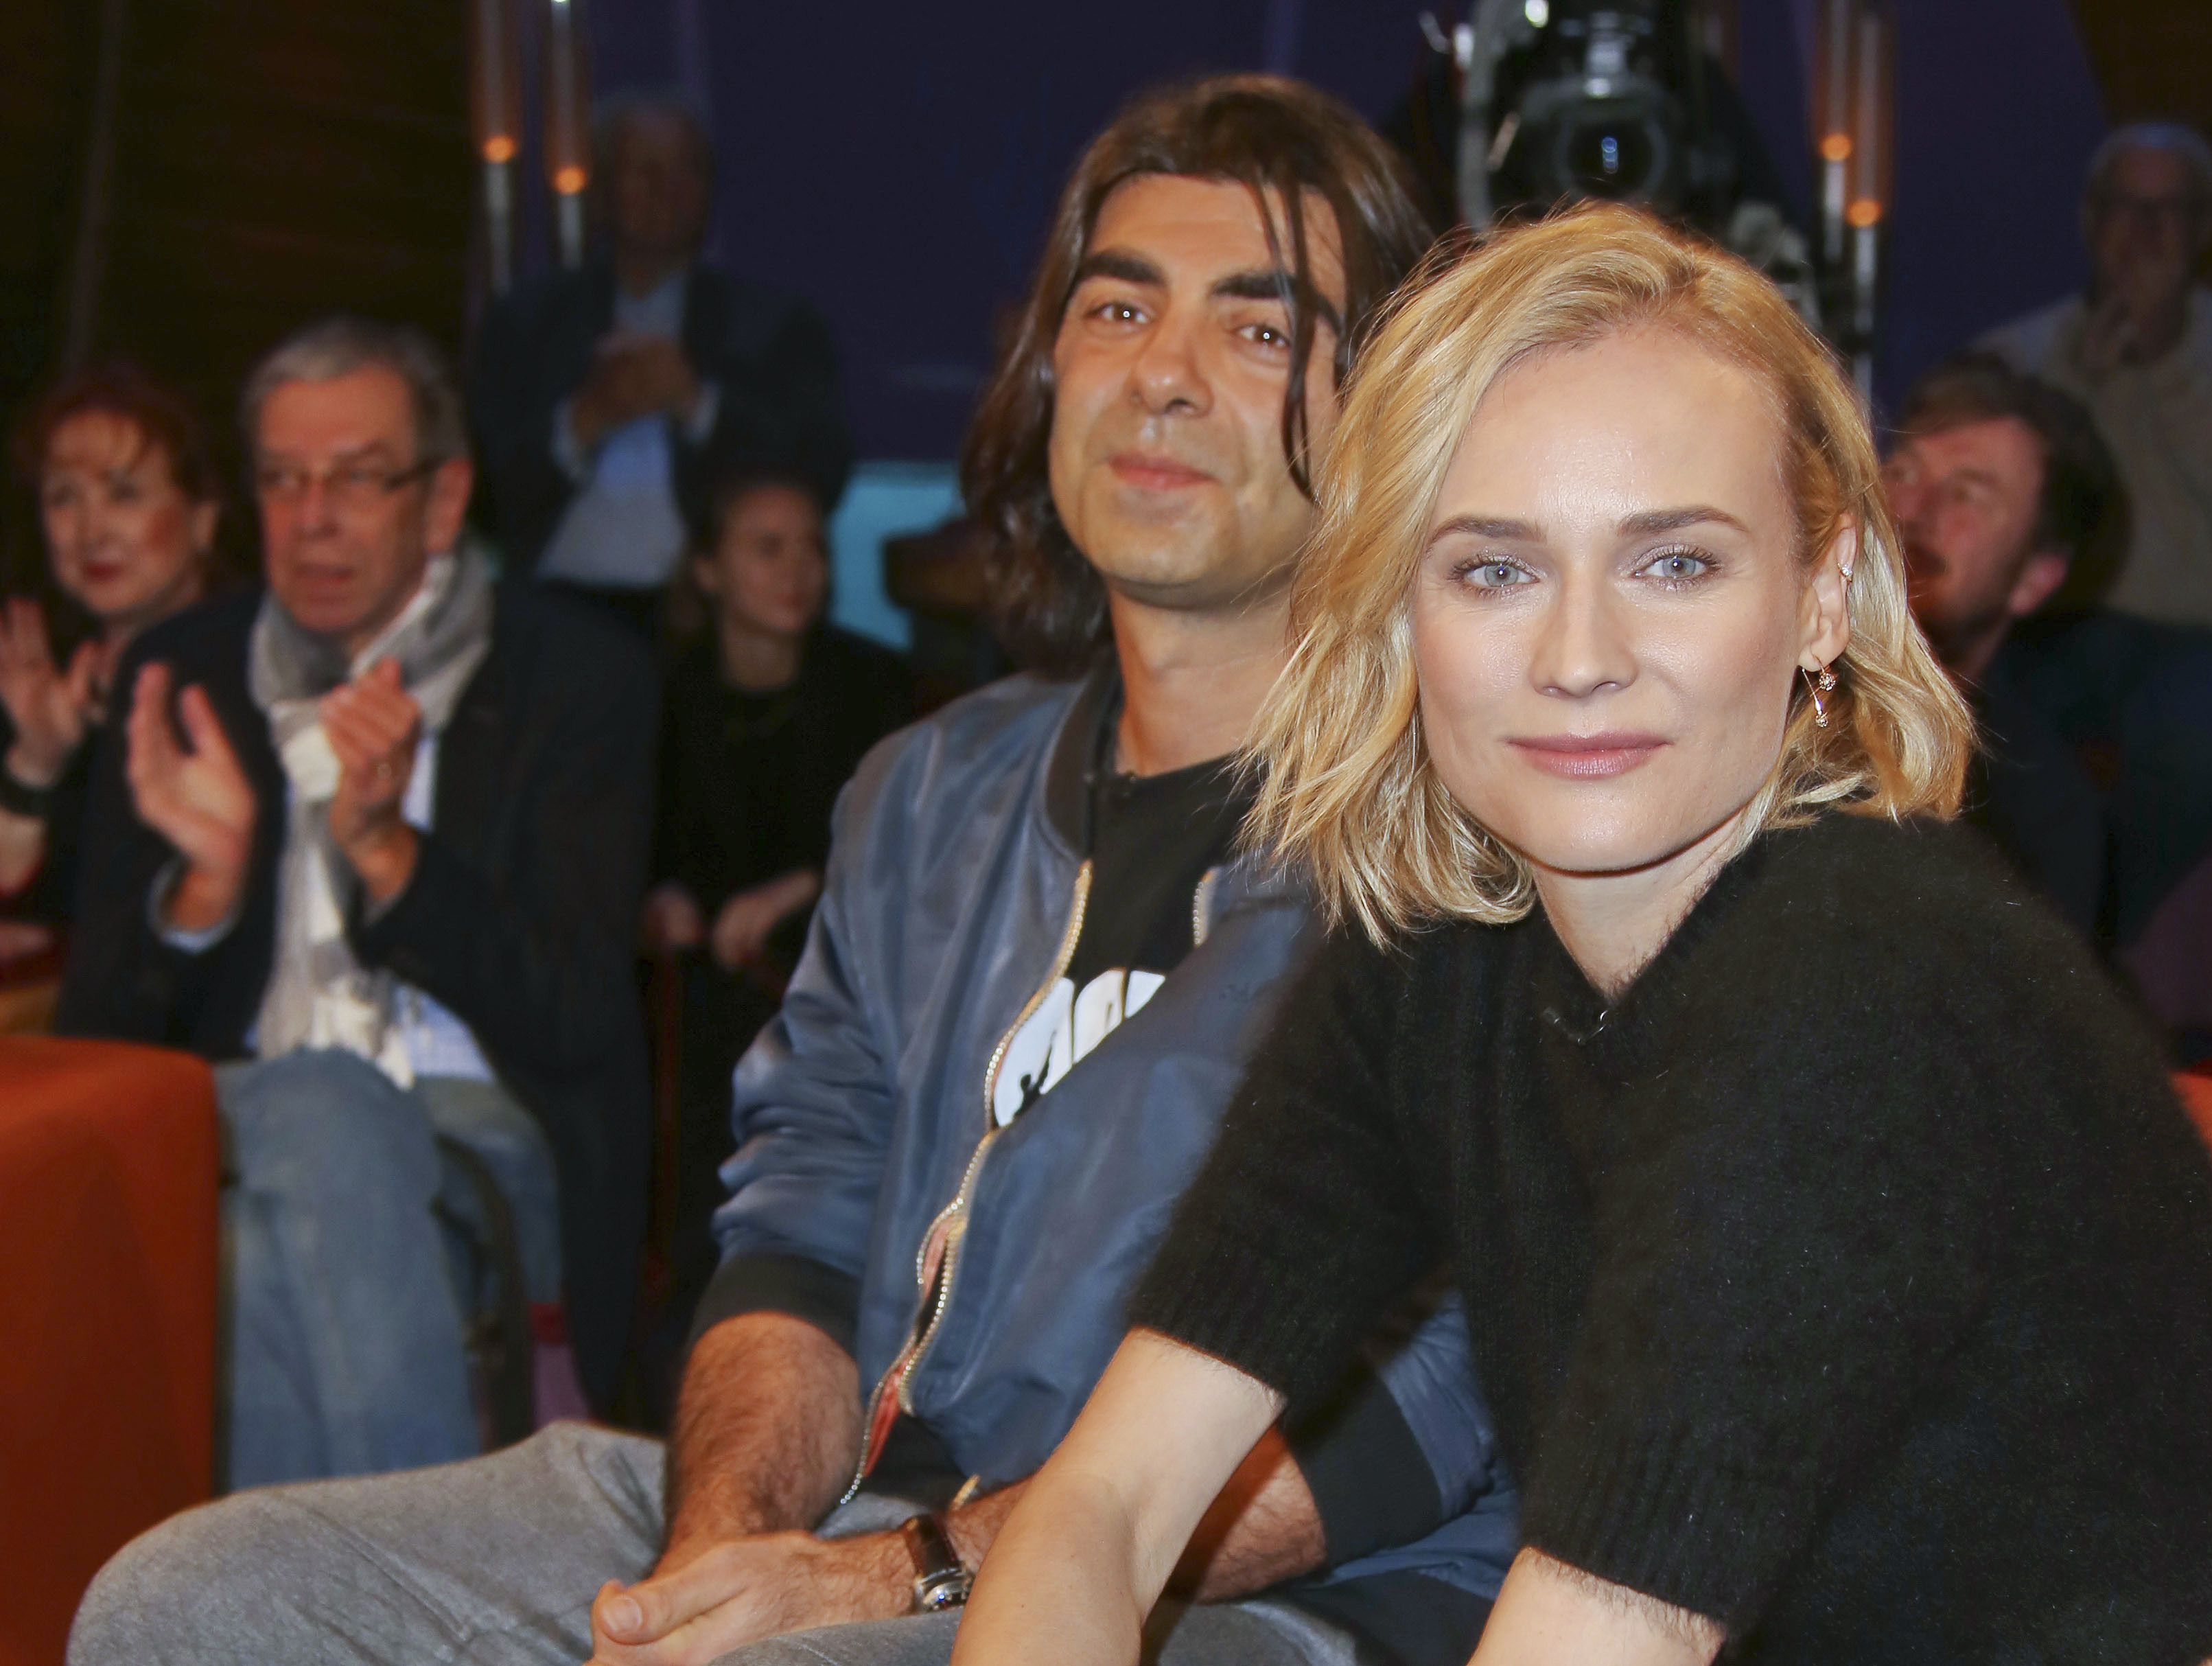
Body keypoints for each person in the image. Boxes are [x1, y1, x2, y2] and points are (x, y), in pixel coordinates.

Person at [73, 76, 1511, 1666]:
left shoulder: (1459, 825)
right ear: (1049, 373)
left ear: (1384, 410)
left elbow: (1441, 1374)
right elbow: (803, 1226)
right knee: (193, 1600)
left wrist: (901, 1573)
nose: (1161, 374)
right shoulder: (928, 792)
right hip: (862, 1516)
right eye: (1117, 308)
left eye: (1257, 327)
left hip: (1239, 1586)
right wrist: (721, 1549)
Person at [955, 205, 2212, 1666]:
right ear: (1397, 609)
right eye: (1493, 568)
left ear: (1820, 596)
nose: (1578, 657)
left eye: (1673, 563)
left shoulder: (1861, 987)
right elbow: (1100, 1508)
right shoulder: (1445, 951)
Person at [53, 316, 656, 1485]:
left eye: (356, 478)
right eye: (283, 479)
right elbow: (100, 1046)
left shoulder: (574, 676)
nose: (312, 517)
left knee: (250, 1246)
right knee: (316, 1104)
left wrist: (390, 856)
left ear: (442, 500)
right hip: (240, 1112)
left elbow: (577, 1013)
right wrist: (204, 892)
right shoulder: (184, 673)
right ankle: (426, 1577)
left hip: (481, 1125)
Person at [640, 465, 916, 1400]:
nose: (797, 570)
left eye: (811, 548)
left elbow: (904, 853)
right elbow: (635, 847)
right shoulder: (660, 694)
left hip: (834, 987)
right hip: (690, 1002)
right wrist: (658, 900)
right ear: (707, 569)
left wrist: (800, 887)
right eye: (767, 548)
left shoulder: (877, 689)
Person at [1976, 122, 2212, 945]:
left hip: (2196, 640)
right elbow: (1999, 508)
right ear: (2089, 219)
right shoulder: (2020, 352)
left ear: (2204, 227)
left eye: (2169, 210)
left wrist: (2163, 368)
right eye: (2126, 206)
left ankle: (2090, 944)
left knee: (2199, 736)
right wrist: (2084, 377)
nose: (2146, 232)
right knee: (1973, 726)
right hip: (2050, 630)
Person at [469, 92, 851, 631]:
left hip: (716, 621)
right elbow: (482, 495)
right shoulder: (529, 320)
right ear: (602, 189)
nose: (666, 189)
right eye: (645, 170)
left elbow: (822, 470)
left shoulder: (773, 326)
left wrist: (697, 404)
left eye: (686, 170)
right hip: (558, 609)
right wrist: (585, 419)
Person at [1885, 351, 2123, 938]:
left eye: (1967, 495)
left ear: (2034, 579)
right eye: (1904, 473)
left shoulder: (2037, 818)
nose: (1913, 512)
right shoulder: (1758, 709)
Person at [1, 364, 226, 946]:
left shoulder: (246, 685)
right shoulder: (43, 683)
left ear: (202, 520)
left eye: (124, 494)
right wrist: (35, 764)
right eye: (64, 498)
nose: (91, 530)